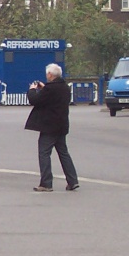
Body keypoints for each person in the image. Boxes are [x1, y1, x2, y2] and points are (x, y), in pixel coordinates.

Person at [25, 63, 79, 192]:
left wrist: (32, 90)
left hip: (49, 126)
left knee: (44, 153)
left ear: (50, 74)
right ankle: (72, 181)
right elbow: (53, 97)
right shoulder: (65, 87)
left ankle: (46, 183)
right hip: (62, 125)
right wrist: (44, 88)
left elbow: (35, 100)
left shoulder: (50, 89)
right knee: (63, 153)